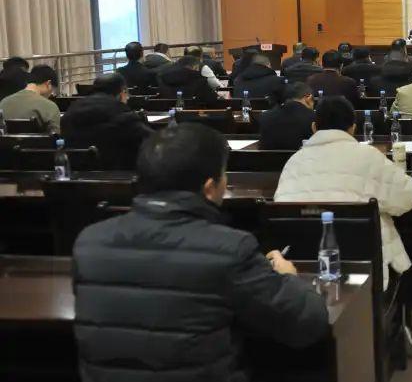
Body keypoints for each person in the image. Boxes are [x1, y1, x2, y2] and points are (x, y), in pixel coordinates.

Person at [72, 124, 327, 382]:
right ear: (209, 187)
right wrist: (288, 277)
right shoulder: (230, 249)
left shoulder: (89, 242)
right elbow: (306, 322)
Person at [275, 96, 412, 286]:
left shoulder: (294, 162)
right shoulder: (369, 156)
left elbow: (280, 211)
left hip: (303, 272)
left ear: (314, 128)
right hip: (369, 268)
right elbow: (407, 197)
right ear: (353, 128)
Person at [60, 73, 153, 169]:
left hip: (75, 175)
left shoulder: (69, 114)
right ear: (122, 93)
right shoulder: (125, 116)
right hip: (119, 174)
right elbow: (153, 142)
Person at [0, 65, 61, 134]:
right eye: (52, 90)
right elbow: (56, 136)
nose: (51, 94)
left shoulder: (3, 103)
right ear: (48, 84)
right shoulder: (50, 106)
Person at [257, 82, 315, 151]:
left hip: (267, 158)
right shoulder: (312, 117)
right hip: (301, 157)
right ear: (308, 97)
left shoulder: (265, 116)